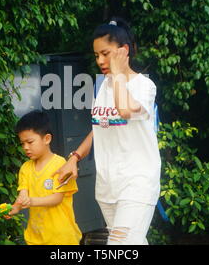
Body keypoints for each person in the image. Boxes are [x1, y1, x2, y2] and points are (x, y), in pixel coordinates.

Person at [53, 17, 161, 245]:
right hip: (108, 185)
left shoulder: (144, 86)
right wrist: (75, 158)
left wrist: (119, 75)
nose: (100, 60)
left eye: (106, 53)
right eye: (96, 56)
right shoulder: (104, 86)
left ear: (123, 52)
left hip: (137, 182)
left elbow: (124, 110)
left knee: (120, 245)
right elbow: (100, 127)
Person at [5, 110, 82, 245]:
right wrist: (15, 207)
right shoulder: (25, 168)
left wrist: (31, 201)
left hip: (61, 239)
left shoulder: (60, 165)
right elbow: (23, 196)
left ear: (47, 139)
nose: (25, 147)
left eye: (30, 142)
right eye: (22, 143)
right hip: (35, 238)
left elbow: (57, 198)